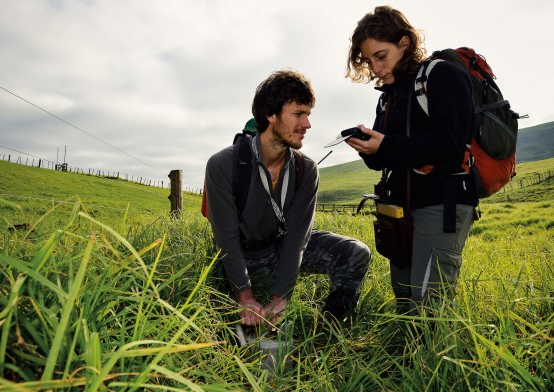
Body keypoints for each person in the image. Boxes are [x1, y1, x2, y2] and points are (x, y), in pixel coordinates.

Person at [204, 70, 371, 326]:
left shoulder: (306, 170)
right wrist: (245, 296)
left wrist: (280, 297)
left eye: (308, 115)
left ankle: (332, 330)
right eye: (298, 114)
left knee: (355, 252)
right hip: (243, 254)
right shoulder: (223, 164)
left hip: (281, 248)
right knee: (220, 305)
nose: (307, 124)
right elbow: (225, 240)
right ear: (270, 115)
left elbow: (297, 240)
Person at [344, 6, 478, 315]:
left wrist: (386, 144)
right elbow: (387, 157)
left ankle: (436, 361)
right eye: (368, 60)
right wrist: (369, 149)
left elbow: (451, 143)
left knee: (427, 304)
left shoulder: (442, 75)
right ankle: (410, 360)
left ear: (404, 44)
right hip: (402, 210)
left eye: (381, 56)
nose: (376, 68)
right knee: (404, 300)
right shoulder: (388, 95)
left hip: (443, 200)